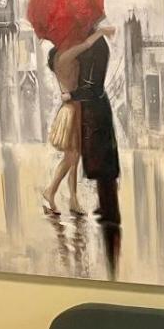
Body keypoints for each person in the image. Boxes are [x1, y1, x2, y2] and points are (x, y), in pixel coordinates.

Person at [40, 22, 119, 221]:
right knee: (72, 156)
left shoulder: (59, 57)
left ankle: (73, 199)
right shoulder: (65, 56)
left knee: (74, 157)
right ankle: (50, 191)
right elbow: (86, 45)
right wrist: (101, 31)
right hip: (72, 109)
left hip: (74, 109)